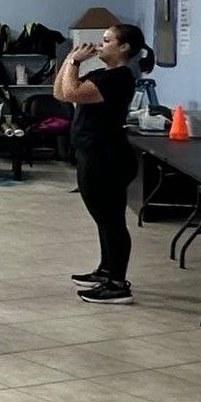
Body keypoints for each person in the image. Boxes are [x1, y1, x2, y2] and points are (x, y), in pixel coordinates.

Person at [59, 23, 152, 306]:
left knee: (111, 221)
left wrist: (75, 62)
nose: (100, 45)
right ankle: (105, 270)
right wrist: (68, 60)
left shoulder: (121, 77)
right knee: (103, 218)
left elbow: (73, 93)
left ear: (124, 47)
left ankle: (117, 284)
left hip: (107, 158)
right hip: (91, 155)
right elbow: (61, 93)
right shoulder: (102, 73)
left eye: (107, 40)